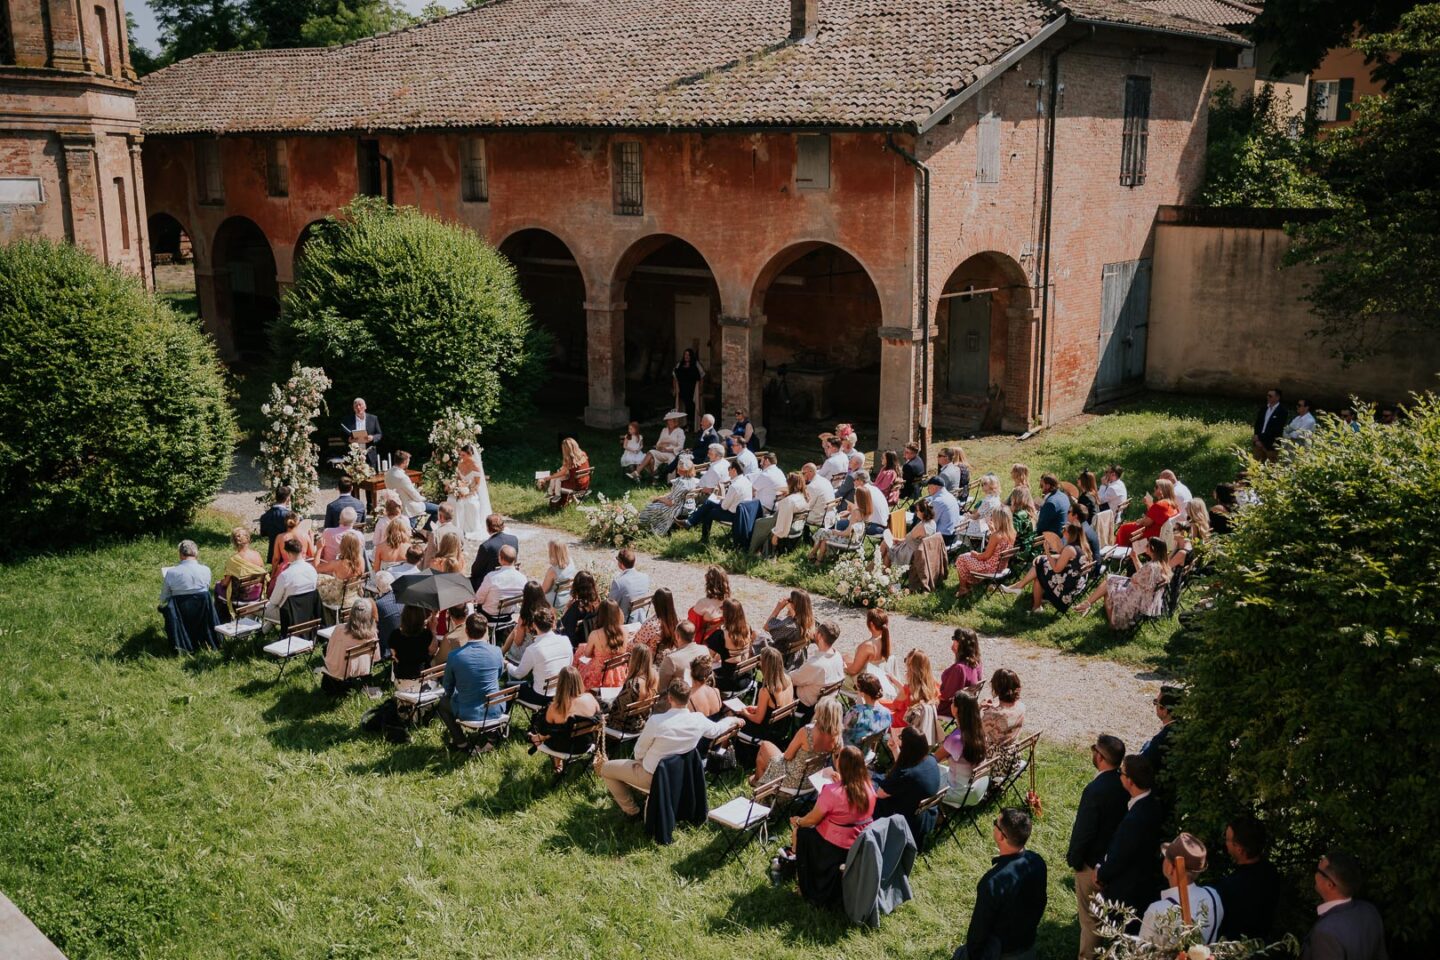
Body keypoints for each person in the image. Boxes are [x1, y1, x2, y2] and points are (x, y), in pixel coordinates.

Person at [600, 679, 740, 818]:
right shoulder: (698, 719)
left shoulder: (656, 721)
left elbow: (638, 752)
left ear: (669, 698)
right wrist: (733, 719)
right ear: (688, 698)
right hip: (680, 776)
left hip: (653, 776)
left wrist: (641, 761)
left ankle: (632, 811)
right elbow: (717, 729)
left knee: (605, 769)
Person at [783, 745, 876, 909]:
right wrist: (842, 781)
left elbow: (812, 819)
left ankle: (802, 883)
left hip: (833, 846)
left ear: (841, 764)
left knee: (802, 833)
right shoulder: (868, 786)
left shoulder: (832, 792)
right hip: (858, 842)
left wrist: (798, 821)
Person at [952, 808, 1048, 960]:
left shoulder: (992, 883)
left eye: (995, 824)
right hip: (1027, 943)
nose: (993, 825)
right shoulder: (1037, 861)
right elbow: (1042, 901)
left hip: (1001, 951)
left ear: (1002, 836)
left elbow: (978, 932)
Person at [1068, 734, 1131, 960]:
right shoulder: (1124, 783)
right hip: (1114, 859)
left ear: (1101, 757)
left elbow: (1084, 830)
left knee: (1090, 919)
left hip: (1091, 863)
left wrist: (1075, 860)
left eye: (1094, 749)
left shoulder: (1095, 790)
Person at [1095, 754, 1165, 927]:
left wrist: (1101, 873)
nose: (1119, 775)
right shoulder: (1152, 802)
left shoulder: (1135, 820)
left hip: (1127, 891)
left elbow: (1120, 855)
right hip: (1144, 883)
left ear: (1130, 781)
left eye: (1122, 772)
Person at [1301, 852, 1387, 960]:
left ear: (1329, 885)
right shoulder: (1369, 910)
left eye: (1318, 871)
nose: (1315, 874)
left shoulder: (1325, 932)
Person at [1140, 833, 1223, 945]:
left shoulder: (1157, 910)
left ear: (1171, 868)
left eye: (1166, 858)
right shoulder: (1213, 896)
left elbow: (1141, 953)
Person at [1212, 816, 1282, 942]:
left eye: (1227, 839)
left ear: (1239, 848)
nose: (1225, 843)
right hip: (1263, 943)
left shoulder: (1231, 886)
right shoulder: (1271, 872)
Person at [1074, 538, 1172, 628]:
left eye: (1147, 545)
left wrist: (1133, 577)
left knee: (1108, 589)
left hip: (1137, 599)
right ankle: (1088, 604)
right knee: (1109, 580)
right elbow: (1142, 574)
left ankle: (1112, 624)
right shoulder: (1162, 565)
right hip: (1146, 598)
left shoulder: (1151, 566)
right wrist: (1135, 558)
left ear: (1152, 549)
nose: (1145, 547)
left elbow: (1134, 578)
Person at [752, 693, 842, 790]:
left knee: (765, 745)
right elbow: (839, 763)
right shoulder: (837, 738)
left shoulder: (807, 732)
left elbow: (787, 756)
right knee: (761, 760)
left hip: (790, 779)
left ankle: (759, 787)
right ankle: (757, 783)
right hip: (812, 781)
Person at [874, 726, 944, 845]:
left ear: (907, 747)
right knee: (877, 778)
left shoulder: (906, 775)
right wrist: (895, 749)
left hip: (907, 821)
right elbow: (906, 768)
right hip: (928, 815)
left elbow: (880, 793)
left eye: (901, 738)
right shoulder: (930, 760)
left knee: (871, 786)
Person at [527, 665, 602, 771]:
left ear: (560, 684)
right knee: (562, 729)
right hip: (586, 744)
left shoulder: (556, 707)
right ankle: (541, 744)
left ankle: (538, 741)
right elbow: (599, 720)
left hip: (565, 747)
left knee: (555, 731)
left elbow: (545, 731)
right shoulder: (590, 698)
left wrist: (540, 737)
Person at [1006, 522, 1091, 614]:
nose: (1062, 532)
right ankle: (1031, 601)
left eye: (1064, 529)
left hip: (1066, 589)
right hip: (1077, 584)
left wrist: (1047, 552)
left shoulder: (1069, 548)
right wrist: (1046, 557)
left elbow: (1056, 569)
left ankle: (1022, 589)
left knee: (1039, 568)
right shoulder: (1082, 546)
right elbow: (1064, 557)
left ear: (1070, 533)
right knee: (1041, 568)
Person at [507, 606, 571, 709]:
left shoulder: (533, 649)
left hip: (542, 697)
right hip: (561, 691)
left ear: (534, 625)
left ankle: (501, 720)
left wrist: (507, 665)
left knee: (509, 687)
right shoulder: (565, 640)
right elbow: (569, 665)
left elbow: (518, 674)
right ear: (553, 623)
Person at [733, 646, 794, 752]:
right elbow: (775, 707)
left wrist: (744, 713)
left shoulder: (766, 690)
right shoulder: (788, 679)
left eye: (760, 661)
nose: (759, 664)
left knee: (735, 719)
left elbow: (758, 720)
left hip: (767, 732)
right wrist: (757, 708)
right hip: (781, 728)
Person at [884, 649, 939, 752]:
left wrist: (876, 700)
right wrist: (898, 683)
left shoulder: (907, 690)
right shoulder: (932, 686)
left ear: (911, 667)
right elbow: (908, 693)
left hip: (901, 727)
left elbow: (893, 706)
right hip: (920, 727)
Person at [954, 505, 1016, 595]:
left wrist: (975, 554)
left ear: (998, 520)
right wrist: (993, 530)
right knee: (966, 556)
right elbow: (998, 549)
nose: (991, 518)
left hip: (989, 568)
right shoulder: (1012, 533)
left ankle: (963, 588)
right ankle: (969, 583)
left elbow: (985, 556)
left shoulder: (996, 536)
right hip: (1001, 566)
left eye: (993, 517)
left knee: (961, 558)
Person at [936, 690, 987, 800]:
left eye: (953, 702)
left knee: (923, 775)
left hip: (961, 793)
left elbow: (934, 760)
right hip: (980, 787)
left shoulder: (956, 739)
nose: (951, 704)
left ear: (956, 709)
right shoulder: (979, 731)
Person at [789, 620, 846, 714]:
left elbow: (792, 679)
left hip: (806, 703)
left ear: (819, 636)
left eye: (816, 631)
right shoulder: (837, 656)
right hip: (826, 698)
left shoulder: (816, 664)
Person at [689, 460, 751, 543]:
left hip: (734, 515)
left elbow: (724, 507)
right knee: (710, 502)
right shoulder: (746, 481)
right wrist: (721, 499)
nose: (728, 471)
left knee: (708, 510)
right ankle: (691, 522)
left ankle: (701, 535)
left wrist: (721, 500)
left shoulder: (735, 486)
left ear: (734, 470)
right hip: (743, 513)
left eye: (729, 468)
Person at [704, 599, 759, 692]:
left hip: (729, 682)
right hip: (747, 677)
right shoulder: (747, 628)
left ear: (725, 614)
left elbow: (706, 659)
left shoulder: (720, 635)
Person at [321, 596, 378, 685]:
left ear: (351, 614)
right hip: (363, 668)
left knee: (325, 649)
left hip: (341, 671)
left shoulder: (340, 630)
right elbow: (376, 657)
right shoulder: (373, 633)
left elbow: (329, 651)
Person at [574, 600, 630, 690]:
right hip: (618, 673)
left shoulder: (595, 634)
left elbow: (587, 654)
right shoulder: (624, 631)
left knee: (579, 656)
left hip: (599, 675)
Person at [844, 607, 898, 700]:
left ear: (871, 625)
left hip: (866, 684)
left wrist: (844, 667)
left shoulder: (867, 646)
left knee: (835, 672)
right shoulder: (887, 641)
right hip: (881, 680)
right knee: (846, 657)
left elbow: (853, 671)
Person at [609, 644, 660, 735]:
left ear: (634, 659)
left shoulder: (634, 683)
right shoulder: (655, 675)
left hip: (628, 725)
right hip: (644, 721)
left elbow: (618, 709)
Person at [808, 487, 867, 563]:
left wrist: (836, 532)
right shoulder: (865, 510)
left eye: (855, 493)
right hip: (856, 540)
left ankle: (814, 556)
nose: (854, 495)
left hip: (848, 541)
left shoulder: (856, 512)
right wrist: (849, 513)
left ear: (858, 496)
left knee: (824, 535)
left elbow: (847, 533)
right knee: (824, 533)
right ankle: (817, 558)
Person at [265, 538, 318, 621]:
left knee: (252, 607)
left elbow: (274, 601)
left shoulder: (284, 576)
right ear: (301, 551)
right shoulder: (312, 570)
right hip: (307, 612)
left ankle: (248, 632)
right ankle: (264, 631)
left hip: (288, 615)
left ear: (288, 553)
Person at [213, 527, 266, 611]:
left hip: (240, 599)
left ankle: (222, 619)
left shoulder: (233, 560)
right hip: (256, 596)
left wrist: (220, 582)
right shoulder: (257, 555)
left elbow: (225, 583)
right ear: (249, 539)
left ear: (234, 542)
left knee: (218, 586)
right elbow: (263, 575)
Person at [938, 627, 984, 718]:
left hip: (949, 708)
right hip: (966, 706)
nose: (953, 641)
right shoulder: (977, 663)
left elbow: (945, 696)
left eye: (954, 639)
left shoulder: (959, 668)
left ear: (960, 643)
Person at [386, 451, 439, 528]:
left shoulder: (388, 473)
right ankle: (425, 530)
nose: (408, 463)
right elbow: (415, 496)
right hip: (408, 506)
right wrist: (424, 498)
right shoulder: (402, 477)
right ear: (404, 462)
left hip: (394, 505)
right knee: (439, 509)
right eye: (408, 461)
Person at [1139, 684, 1181, 780]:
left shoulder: (1161, 739)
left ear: (1165, 711)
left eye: (1156, 703)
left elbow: (1144, 762)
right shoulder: (1185, 728)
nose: (1155, 706)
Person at [764, 588, 815, 664]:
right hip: (798, 658)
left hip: (783, 659)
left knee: (757, 635)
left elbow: (766, 626)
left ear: (794, 605)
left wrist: (778, 608)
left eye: (790, 600)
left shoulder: (789, 626)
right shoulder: (812, 622)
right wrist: (792, 610)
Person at [468, 514, 519, 590]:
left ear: (488, 528)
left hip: (492, 581)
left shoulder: (486, 546)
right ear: (503, 526)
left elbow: (476, 570)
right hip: (510, 576)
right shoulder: (514, 539)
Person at [841, 673, 891, 748]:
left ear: (862, 693)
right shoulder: (887, 713)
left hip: (850, 751)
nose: (856, 690)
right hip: (868, 753)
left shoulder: (855, 712)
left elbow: (843, 729)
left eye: (856, 688)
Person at [657, 620, 710, 691]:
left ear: (677, 636)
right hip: (701, 691)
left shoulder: (671, 659)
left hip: (680, 698)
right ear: (694, 635)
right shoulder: (704, 649)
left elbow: (661, 687)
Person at [475, 544, 526, 616]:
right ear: (515, 560)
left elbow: (478, 599)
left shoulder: (491, 577)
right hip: (509, 615)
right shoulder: (522, 579)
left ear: (500, 559)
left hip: (489, 616)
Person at [316, 532, 365, 609]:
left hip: (339, 598)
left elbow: (317, 568)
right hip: (353, 593)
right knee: (323, 578)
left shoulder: (338, 564)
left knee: (316, 580)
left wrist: (319, 549)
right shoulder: (361, 560)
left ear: (342, 546)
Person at [884, 497, 934, 569]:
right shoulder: (932, 523)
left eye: (917, 510)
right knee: (886, 544)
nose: (916, 512)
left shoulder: (921, 527)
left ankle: (882, 573)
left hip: (911, 553)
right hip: (922, 550)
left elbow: (907, 539)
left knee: (888, 553)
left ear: (923, 512)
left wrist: (897, 540)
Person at [605, 547, 652, 622]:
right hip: (641, 618)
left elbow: (611, 605)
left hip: (624, 622)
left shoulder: (618, 582)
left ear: (621, 564)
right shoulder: (645, 577)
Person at [981, 668, 1026, 746]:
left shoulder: (992, 715)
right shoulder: (1021, 707)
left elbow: (975, 734)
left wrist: (979, 707)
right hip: (1013, 752)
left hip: (994, 756)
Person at [637, 411, 686, 481]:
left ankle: (669, 481)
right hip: (662, 452)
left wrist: (668, 449)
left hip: (672, 454)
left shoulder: (680, 431)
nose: (669, 422)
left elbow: (680, 447)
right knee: (651, 453)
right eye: (668, 420)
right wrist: (661, 445)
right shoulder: (664, 430)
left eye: (671, 420)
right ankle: (640, 472)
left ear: (675, 422)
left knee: (657, 460)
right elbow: (658, 444)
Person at [160, 540, 212, 605]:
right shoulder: (206, 570)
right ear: (196, 554)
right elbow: (205, 591)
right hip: (202, 612)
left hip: (178, 613)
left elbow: (164, 598)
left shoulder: (171, 573)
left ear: (181, 554)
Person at [542, 437, 590, 505]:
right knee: (556, 478)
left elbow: (561, 473)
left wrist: (548, 478)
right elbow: (568, 471)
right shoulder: (583, 454)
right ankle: (571, 498)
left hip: (575, 485)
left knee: (555, 480)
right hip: (584, 482)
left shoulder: (570, 461)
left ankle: (555, 496)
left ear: (566, 450)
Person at [633, 587, 680, 655]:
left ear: (655, 603)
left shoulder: (650, 624)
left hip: (649, 659)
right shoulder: (676, 620)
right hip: (667, 656)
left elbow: (636, 645)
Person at [769, 472, 810, 550]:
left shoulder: (789, 501)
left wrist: (776, 535)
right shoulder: (805, 497)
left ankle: (759, 550)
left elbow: (782, 522)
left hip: (786, 532)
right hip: (798, 529)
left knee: (760, 524)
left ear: (789, 484)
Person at [559, 570, 601, 646]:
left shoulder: (577, 607)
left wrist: (566, 611)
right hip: (592, 640)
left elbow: (568, 630)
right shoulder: (597, 601)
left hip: (578, 645)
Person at [341, 397, 383, 470]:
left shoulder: (373, 418)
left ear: (365, 407)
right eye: (356, 406)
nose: (358, 407)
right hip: (354, 455)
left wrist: (372, 437)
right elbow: (343, 435)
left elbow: (379, 434)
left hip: (369, 453)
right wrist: (348, 440)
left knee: (371, 478)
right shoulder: (347, 420)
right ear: (353, 409)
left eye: (360, 405)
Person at [687, 565, 730, 634]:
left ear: (708, 582)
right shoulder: (730, 602)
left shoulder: (703, 603)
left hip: (705, 641)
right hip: (723, 639)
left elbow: (691, 628)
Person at [258, 486, 293, 564]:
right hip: (289, 554)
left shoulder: (265, 516)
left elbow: (263, 533)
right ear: (288, 499)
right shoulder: (290, 516)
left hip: (273, 553)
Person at [672, 348, 706, 426]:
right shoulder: (680, 364)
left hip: (692, 389)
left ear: (691, 356)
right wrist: (674, 388)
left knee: (692, 406)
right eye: (685, 354)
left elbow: (702, 375)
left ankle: (692, 424)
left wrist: (701, 388)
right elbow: (674, 376)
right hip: (683, 389)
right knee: (683, 406)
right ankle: (684, 424)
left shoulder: (696, 364)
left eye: (688, 355)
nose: (686, 356)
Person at [1252, 387, 1287, 462]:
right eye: (1267, 395)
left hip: (1271, 445)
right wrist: (1256, 438)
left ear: (1277, 397)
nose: (1267, 397)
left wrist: (1260, 438)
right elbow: (1257, 424)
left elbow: (1276, 429)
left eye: (1270, 396)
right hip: (1258, 443)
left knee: (1272, 467)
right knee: (1255, 467)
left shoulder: (1282, 411)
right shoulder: (1264, 409)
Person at [1035, 473, 1071, 544]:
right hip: (1064, 536)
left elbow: (1040, 528)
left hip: (1053, 541)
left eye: (1042, 485)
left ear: (1048, 486)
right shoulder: (1063, 496)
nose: (1040, 488)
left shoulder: (1050, 503)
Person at [540, 541, 577, 609]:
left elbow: (543, 590)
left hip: (554, 603)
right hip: (566, 598)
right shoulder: (571, 562)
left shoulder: (553, 571)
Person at [926, 476, 961, 546]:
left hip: (944, 538)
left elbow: (931, 523)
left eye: (928, 487)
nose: (928, 490)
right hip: (954, 535)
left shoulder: (938, 501)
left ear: (934, 487)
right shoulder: (950, 496)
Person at [802, 462, 837, 530]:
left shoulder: (812, 486)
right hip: (830, 515)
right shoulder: (825, 481)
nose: (802, 475)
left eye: (803, 473)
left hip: (819, 518)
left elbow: (807, 507)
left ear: (810, 472)